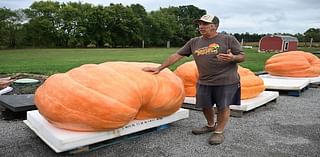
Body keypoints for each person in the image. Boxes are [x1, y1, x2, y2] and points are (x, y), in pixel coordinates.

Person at [142, 14, 245, 145]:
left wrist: (233, 58)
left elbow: (242, 56)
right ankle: (210, 125)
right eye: (200, 24)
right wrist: (159, 68)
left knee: (223, 106)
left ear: (215, 26)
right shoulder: (194, 42)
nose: (201, 26)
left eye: (205, 24)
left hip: (226, 81)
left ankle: (219, 132)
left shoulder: (228, 39)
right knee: (205, 105)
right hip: (204, 80)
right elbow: (177, 55)